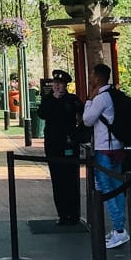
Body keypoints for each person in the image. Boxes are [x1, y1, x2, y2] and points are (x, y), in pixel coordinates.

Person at [82, 63, 129, 249]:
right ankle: (120, 227)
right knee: (117, 186)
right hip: (117, 145)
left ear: (98, 78)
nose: (90, 77)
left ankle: (119, 230)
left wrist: (88, 101)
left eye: (92, 74)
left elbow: (87, 120)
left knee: (106, 187)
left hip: (104, 147)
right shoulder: (114, 95)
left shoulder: (101, 98)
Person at [37, 69, 84, 227]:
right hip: (53, 145)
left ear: (65, 85)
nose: (56, 86)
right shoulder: (48, 99)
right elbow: (42, 114)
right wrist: (53, 100)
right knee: (57, 181)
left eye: (60, 84)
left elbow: (83, 115)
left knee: (71, 179)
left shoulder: (73, 100)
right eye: (55, 84)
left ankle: (74, 214)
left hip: (69, 144)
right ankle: (63, 214)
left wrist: (77, 134)